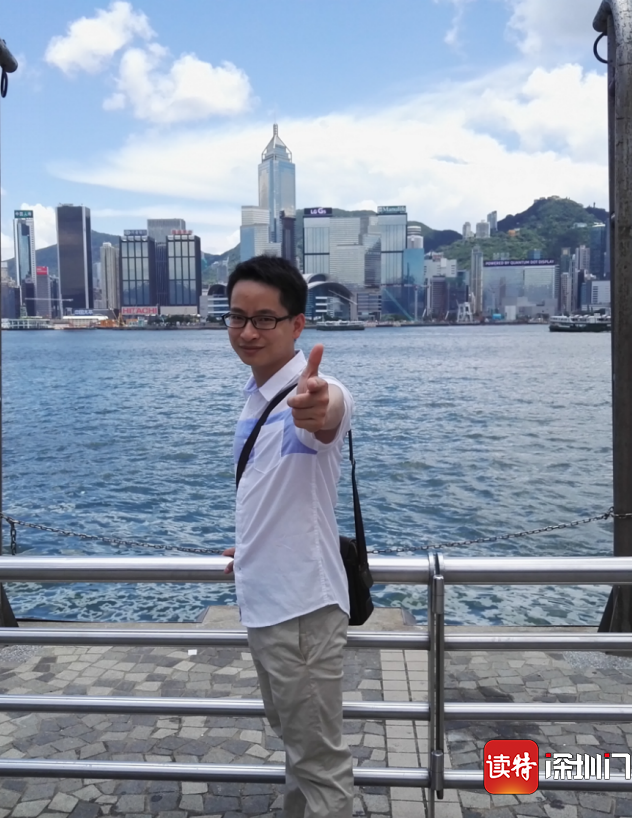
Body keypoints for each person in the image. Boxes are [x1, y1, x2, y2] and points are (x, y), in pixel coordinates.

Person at [221, 254, 354, 818]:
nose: (248, 332)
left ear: (297, 324)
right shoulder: (256, 397)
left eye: (265, 319)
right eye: (237, 317)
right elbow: (274, 490)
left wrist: (320, 407)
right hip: (269, 602)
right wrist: (252, 544)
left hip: (300, 611)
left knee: (320, 764)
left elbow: (328, 413)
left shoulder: (312, 393)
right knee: (300, 752)